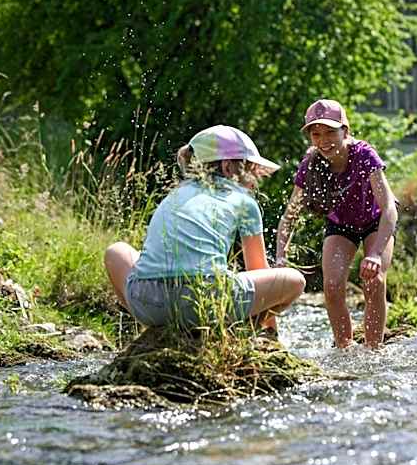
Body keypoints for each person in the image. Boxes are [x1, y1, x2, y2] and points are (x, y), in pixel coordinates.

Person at [105, 124, 305, 334]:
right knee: (294, 280)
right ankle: (243, 335)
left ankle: (154, 332)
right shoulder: (244, 201)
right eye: (250, 171)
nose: (254, 182)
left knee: (116, 251)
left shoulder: (174, 194)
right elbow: (258, 270)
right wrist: (272, 337)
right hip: (203, 305)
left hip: (146, 304)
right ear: (228, 167)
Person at [275, 98, 397, 349]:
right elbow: (290, 215)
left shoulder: (365, 155)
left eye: (331, 132)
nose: (323, 140)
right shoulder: (310, 163)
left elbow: (388, 208)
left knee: (374, 280)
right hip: (340, 225)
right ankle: (345, 349)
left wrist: (373, 254)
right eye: (316, 134)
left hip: (376, 221)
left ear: (346, 131)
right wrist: (280, 256)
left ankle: (373, 351)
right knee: (331, 285)